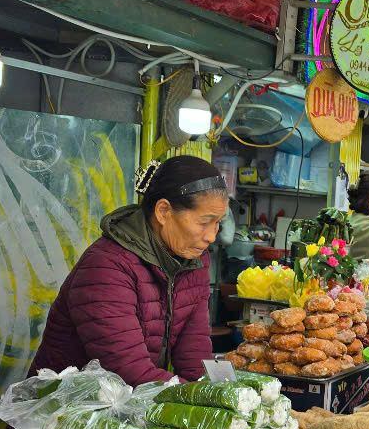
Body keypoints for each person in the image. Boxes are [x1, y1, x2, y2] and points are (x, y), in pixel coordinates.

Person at [31, 156, 226, 386]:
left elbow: (194, 356)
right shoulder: (106, 267)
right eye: (204, 222)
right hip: (64, 402)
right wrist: (193, 394)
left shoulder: (193, 260)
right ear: (163, 211)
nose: (211, 236)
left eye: (218, 223)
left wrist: (225, 392)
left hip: (130, 399)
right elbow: (129, 371)